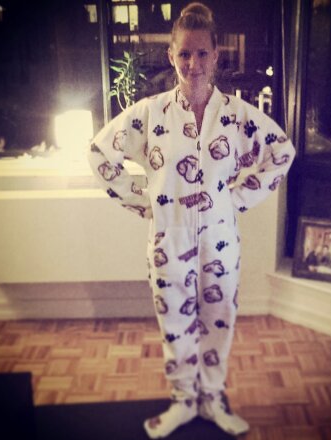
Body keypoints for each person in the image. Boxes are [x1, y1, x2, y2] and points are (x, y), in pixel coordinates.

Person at [87, 3, 295, 438]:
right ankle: (183, 401)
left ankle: (212, 399)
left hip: (221, 241)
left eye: (202, 53)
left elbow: (281, 151)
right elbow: (100, 152)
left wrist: (236, 199)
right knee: (175, 326)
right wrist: (144, 201)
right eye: (184, 53)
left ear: (216, 55)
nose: (193, 63)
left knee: (220, 319)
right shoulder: (150, 113)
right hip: (168, 240)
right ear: (171, 56)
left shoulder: (237, 116)